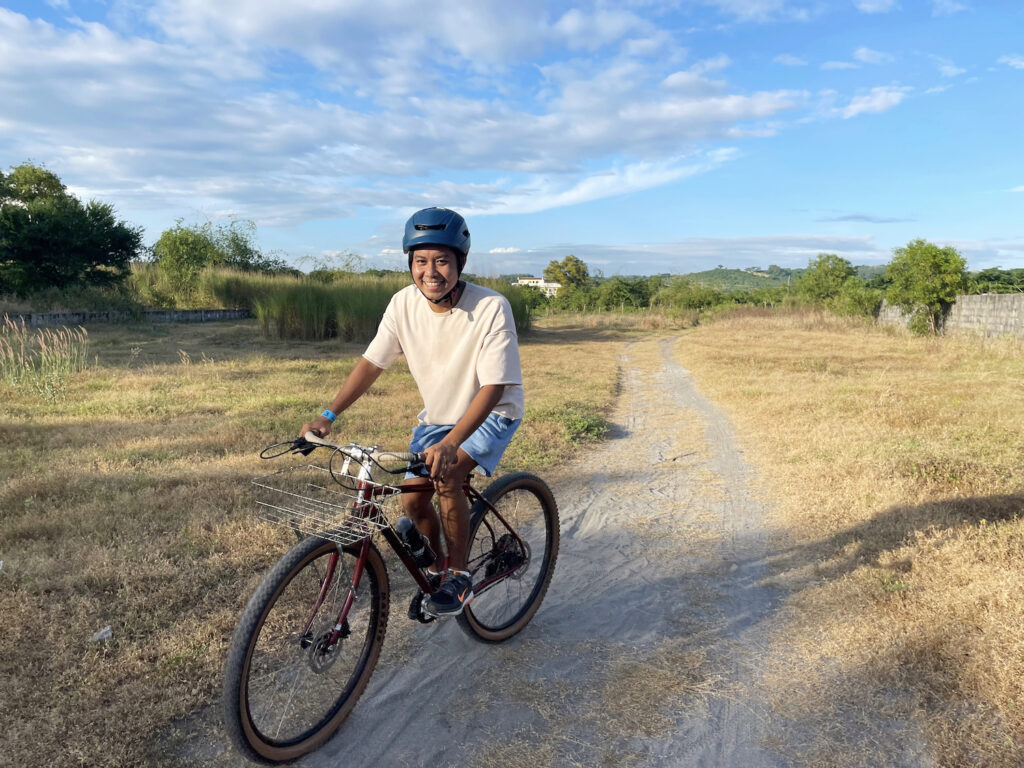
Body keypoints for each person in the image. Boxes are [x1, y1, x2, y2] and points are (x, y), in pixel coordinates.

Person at [301, 207, 524, 617]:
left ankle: (458, 577)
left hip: (492, 412)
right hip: (439, 417)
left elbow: (494, 386)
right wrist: (328, 416)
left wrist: (453, 442)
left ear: (461, 262)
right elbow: (372, 363)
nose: (431, 271)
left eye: (442, 260)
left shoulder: (491, 306)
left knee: (448, 475)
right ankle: (437, 569)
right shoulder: (403, 303)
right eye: (420, 261)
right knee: (412, 504)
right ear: (410, 263)